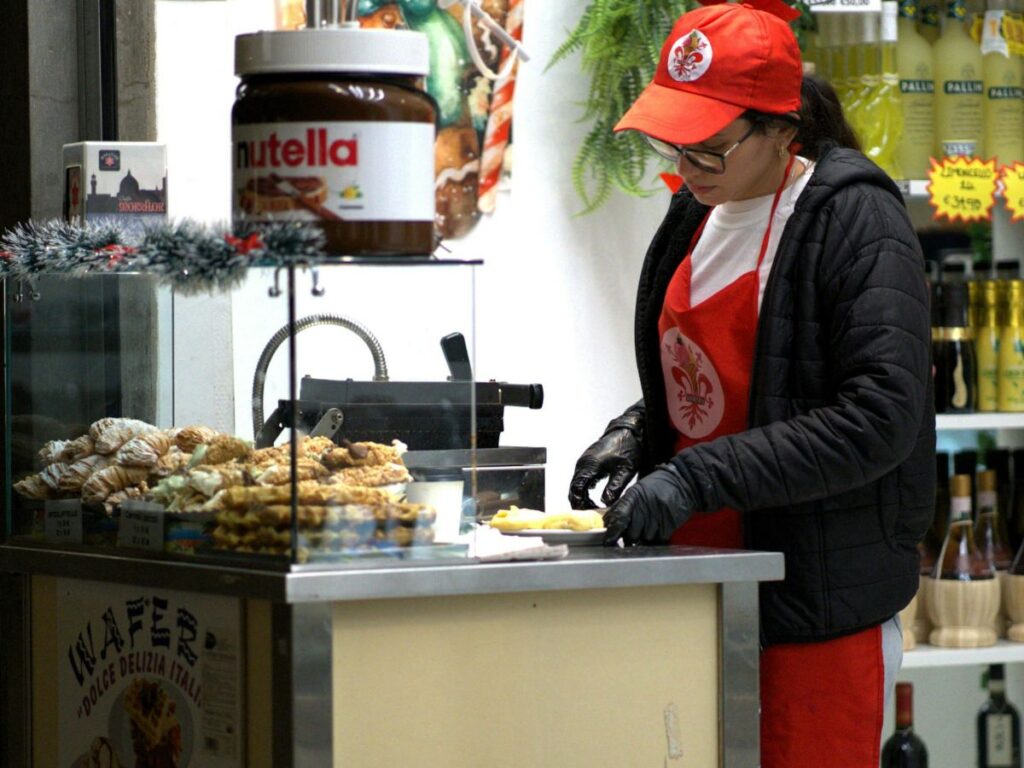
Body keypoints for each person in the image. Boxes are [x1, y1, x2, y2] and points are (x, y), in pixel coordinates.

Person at [568, 2, 934, 766]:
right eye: (677, 143)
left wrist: (696, 475)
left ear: (780, 130)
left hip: (812, 603)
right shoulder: (696, 213)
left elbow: (877, 417)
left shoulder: (855, 222)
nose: (689, 165)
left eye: (708, 149)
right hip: (701, 588)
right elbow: (740, 373)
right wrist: (641, 431)